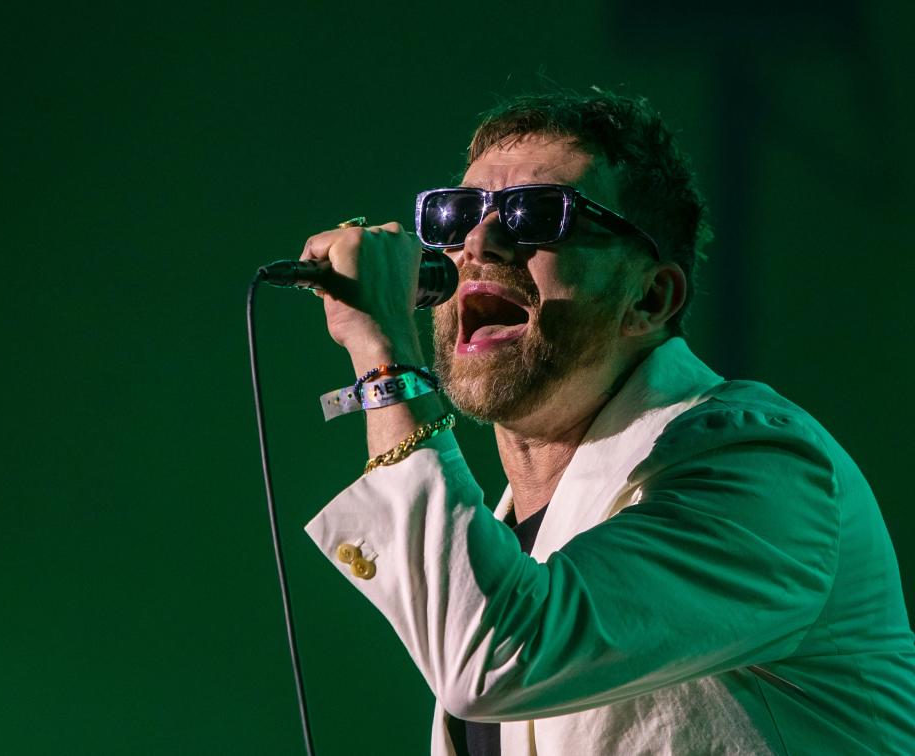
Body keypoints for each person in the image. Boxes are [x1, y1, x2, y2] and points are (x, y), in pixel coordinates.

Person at [300, 90, 915, 754]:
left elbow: (495, 657)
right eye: (456, 216)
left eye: (538, 215)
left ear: (650, 298)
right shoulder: (499, 537)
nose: (478, 244)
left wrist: (386, 361)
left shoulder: (763, 468)